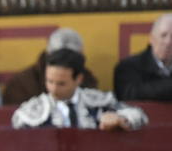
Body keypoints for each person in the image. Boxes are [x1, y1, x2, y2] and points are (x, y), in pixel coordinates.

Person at [12, 48, 148, 130]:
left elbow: (140, 116)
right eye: (49, 81)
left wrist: (120, 119)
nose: (53, 89)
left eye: (61, 83)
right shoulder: (34, 108)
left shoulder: (96, 102)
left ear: (79, 79)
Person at [2, 27, 101, 105]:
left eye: (70, 58)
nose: (63, 61)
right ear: (47, 56)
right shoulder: (21, 85)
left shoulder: (87, 81)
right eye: (57, 56)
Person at [114, 13, 172, 101]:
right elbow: (130, 94)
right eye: (163, 35)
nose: (168, 42)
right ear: (152, 38)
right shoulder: (128, 67)